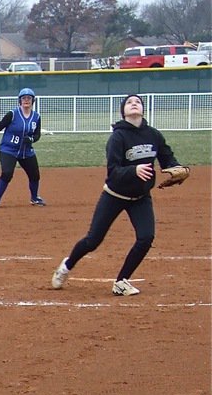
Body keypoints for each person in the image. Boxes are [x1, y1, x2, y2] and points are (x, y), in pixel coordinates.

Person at [51, 93, 183, 297]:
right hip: (114, 195)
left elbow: (168, 159)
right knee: (93, 240)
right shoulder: (118, 137)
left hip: (140, 198)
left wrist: (178, 168)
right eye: (129, 102)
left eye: (137, 101)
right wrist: (134, 170)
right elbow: (113, 170)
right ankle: (66, 266)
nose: (134, 104)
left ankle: (121, 282)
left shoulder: (153, 135)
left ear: (142, 109)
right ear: (123, 111)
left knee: (146, 238)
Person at [0, 87, 46, 207]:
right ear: (19, 101)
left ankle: (34, 198)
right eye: (24, 98)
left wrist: (31, 139)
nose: (26, 100)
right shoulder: (13, 114)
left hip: (26, 152)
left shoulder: (36, 117)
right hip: (8, 149)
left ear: (33, 101)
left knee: (35, 175)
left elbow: (37, 135)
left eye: (29, 98)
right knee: (7, 173)